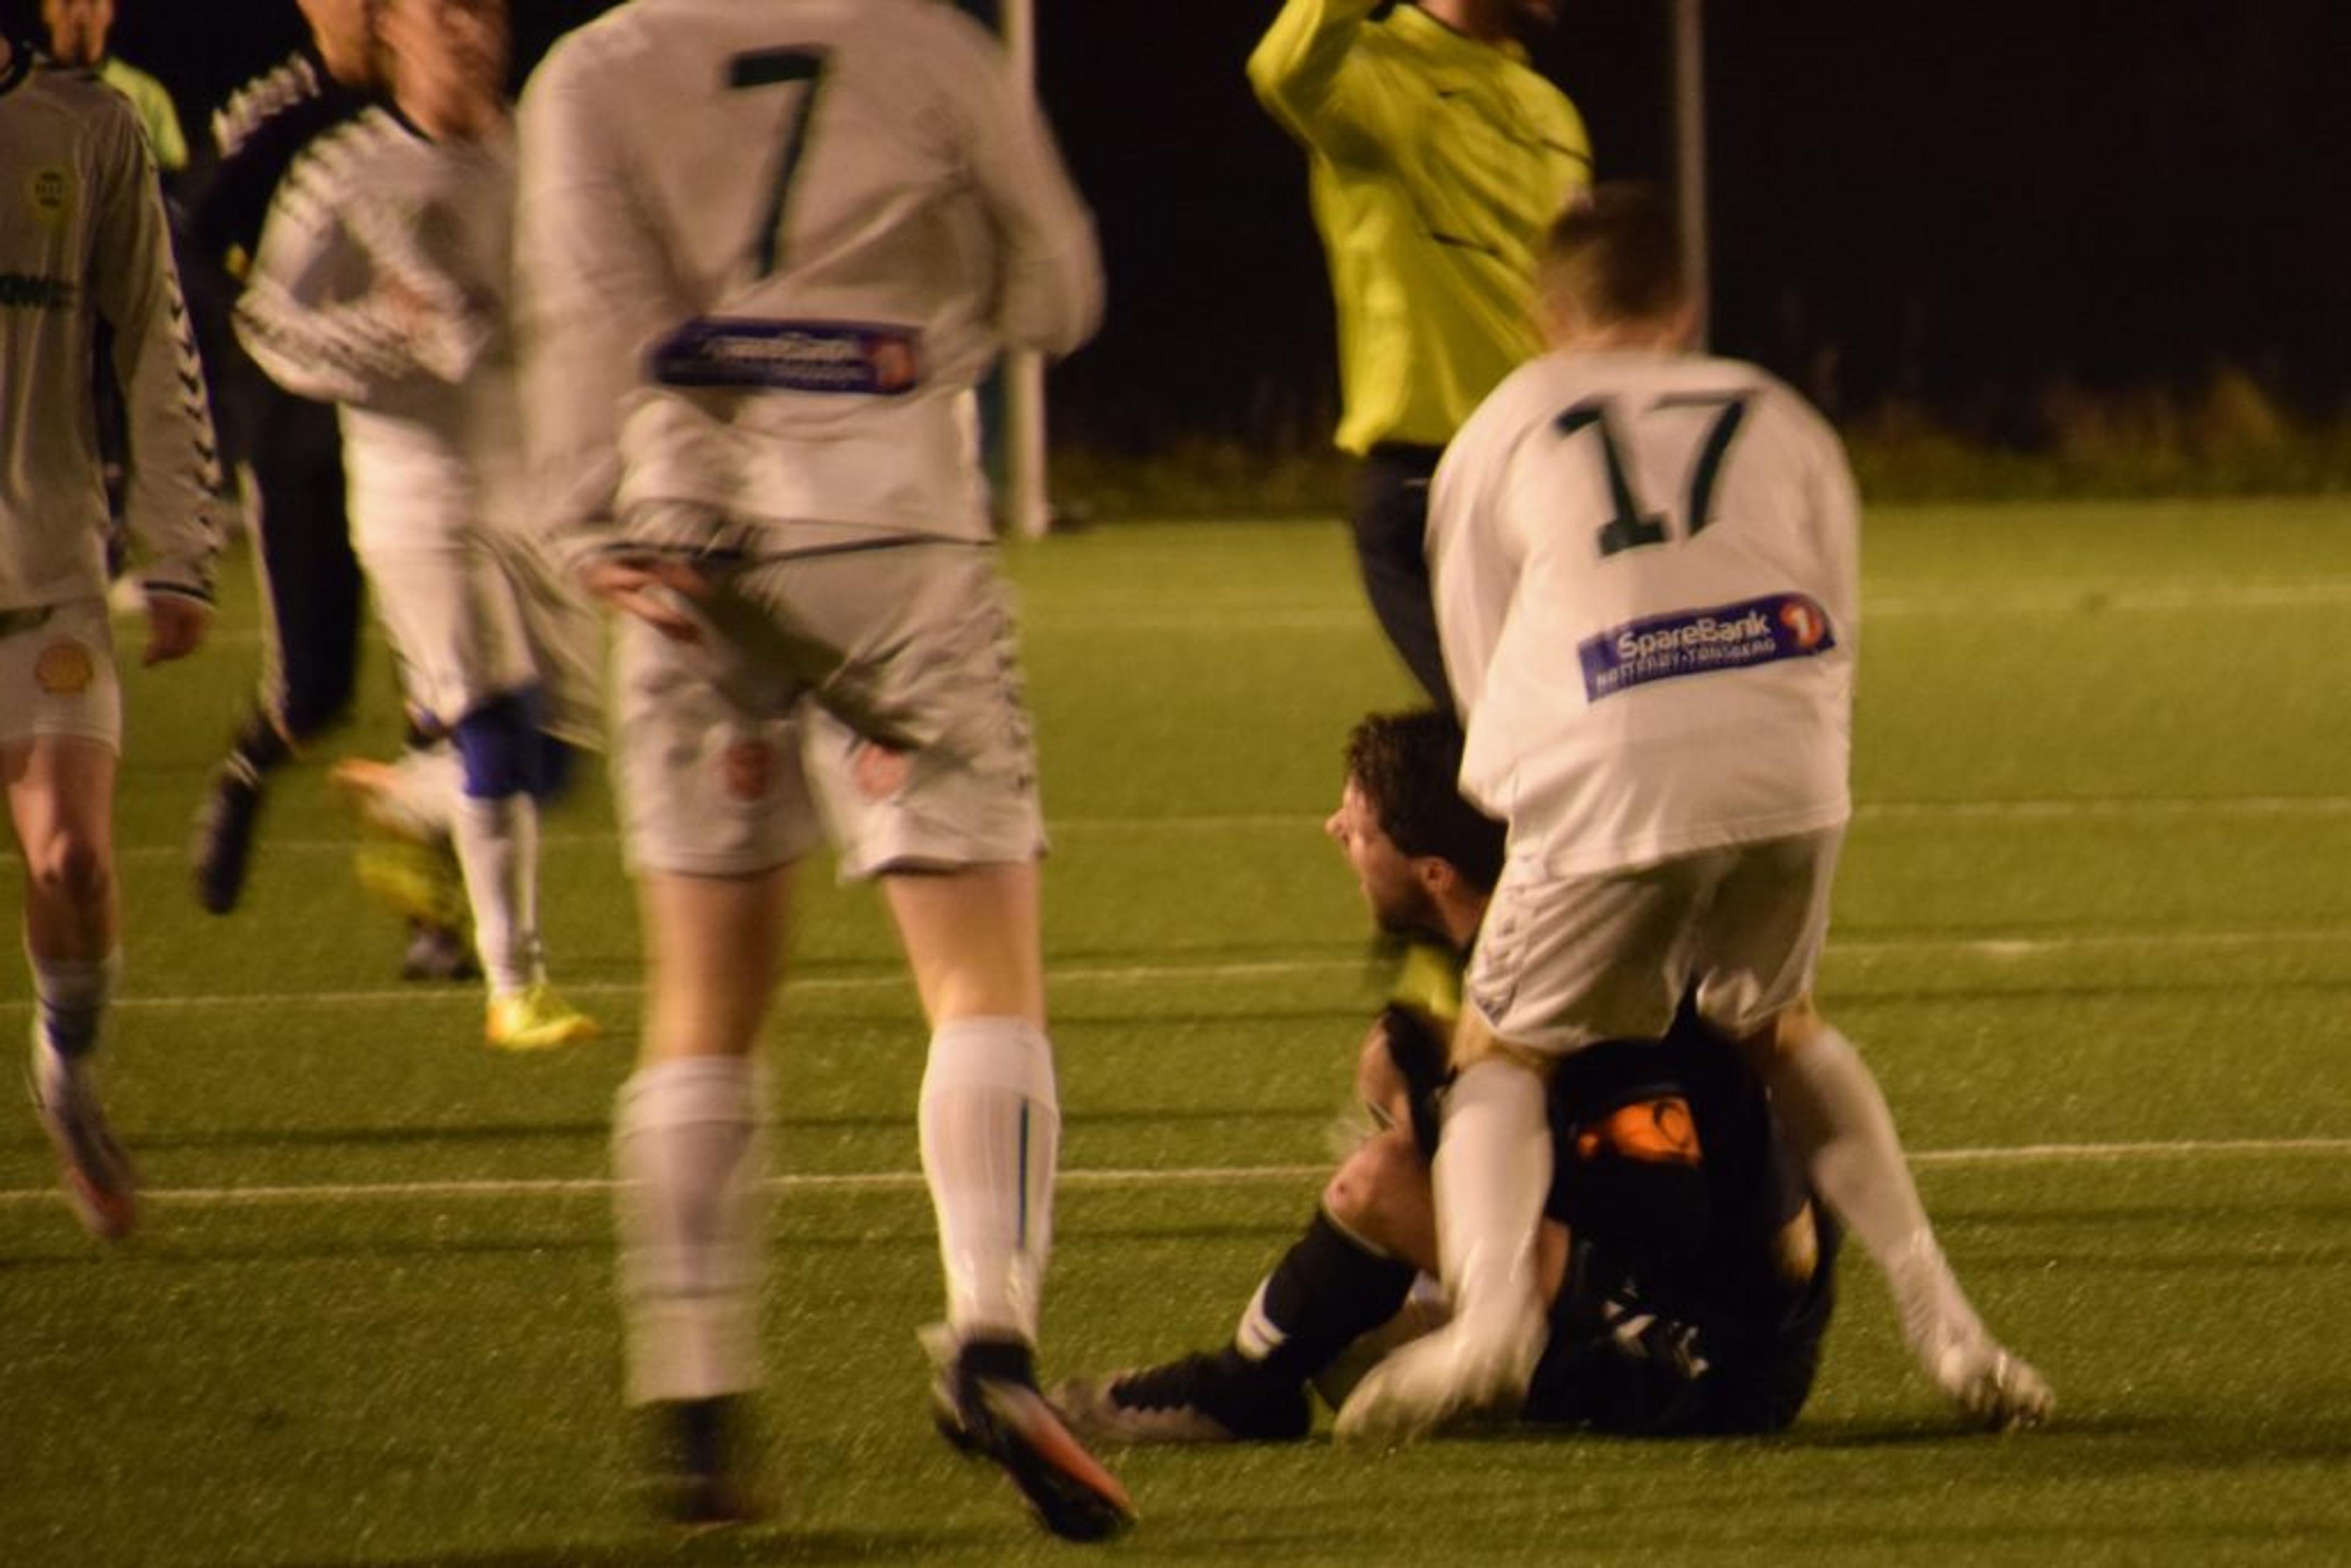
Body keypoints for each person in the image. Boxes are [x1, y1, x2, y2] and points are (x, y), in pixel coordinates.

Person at [515, 0, 1128, 1539]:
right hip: (893, 532)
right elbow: (1061, 288)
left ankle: (696, 1402)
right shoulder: (929, 46)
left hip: (683, 545)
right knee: (978, 976)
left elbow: (581, 314)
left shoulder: (597, 66)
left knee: (702, 1005)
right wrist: (915, 340)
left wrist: (589, 519)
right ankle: (990, 1330)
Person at [1335, 184, 2053, 1444]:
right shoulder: (1779, 410)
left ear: (1544, 311)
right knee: (1779, 1025)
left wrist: (1541, 803)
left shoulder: (1505, 422)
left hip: (1611, 753)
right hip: (1789, 756)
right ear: (1685, 306)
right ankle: (1946, 1321)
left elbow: (1482, 668)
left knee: (1504, 1050)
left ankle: (1492, 1323)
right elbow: (1835, 621)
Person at [1054, 710, 1835, 1443]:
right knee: (1358, 1291)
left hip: (1700, 1365)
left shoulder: (1581, 994)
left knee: (1376, 1184)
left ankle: (1241, 1389)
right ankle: (1306, 1362)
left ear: (1434, 873)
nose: (1335, 830)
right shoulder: (1540, 939)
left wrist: (1443, 1113)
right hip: (1721, 1326)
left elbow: (1664, 1207)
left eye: (1359, 828)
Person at [234, 0, 600, 1050]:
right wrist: (394, 335)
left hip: (533, 487)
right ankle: (516, 985)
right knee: (492, 716)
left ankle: (410, 799)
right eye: (446, 14)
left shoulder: (542, 149)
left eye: (485, 11)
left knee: (561, 752)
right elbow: (270, 328)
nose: (474, 34)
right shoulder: (347, 173)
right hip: (417, 495)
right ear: (393, 27)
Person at [1, 32, 222, 1239]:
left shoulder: (88, 129)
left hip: (47, 570)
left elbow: (154, 336)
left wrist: (177, 545)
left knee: (74, 862)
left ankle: (67, 1070)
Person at [1248, 0, 1591, 710]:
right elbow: (1282, 68)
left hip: (1556, 473)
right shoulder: (1375, 74)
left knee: (1566, 731)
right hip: (1433, 477)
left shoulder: (1552, 109)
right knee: (1514, 736)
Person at [179, 0, 376, 923]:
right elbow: (187, 240)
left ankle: (440, 912)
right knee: (315, 690)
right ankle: (248, 771)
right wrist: (263, 332)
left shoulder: (432, 103)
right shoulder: (276, 111)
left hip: (419, 431)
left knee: (456, 674)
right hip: (300, 425)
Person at [39, 0, 187, 177]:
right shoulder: (21, 94)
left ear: (110, 11)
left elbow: (175, 174)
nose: (81, 13)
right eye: (67, 2)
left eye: (93, 2)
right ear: (46, 10)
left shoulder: (147, 94)